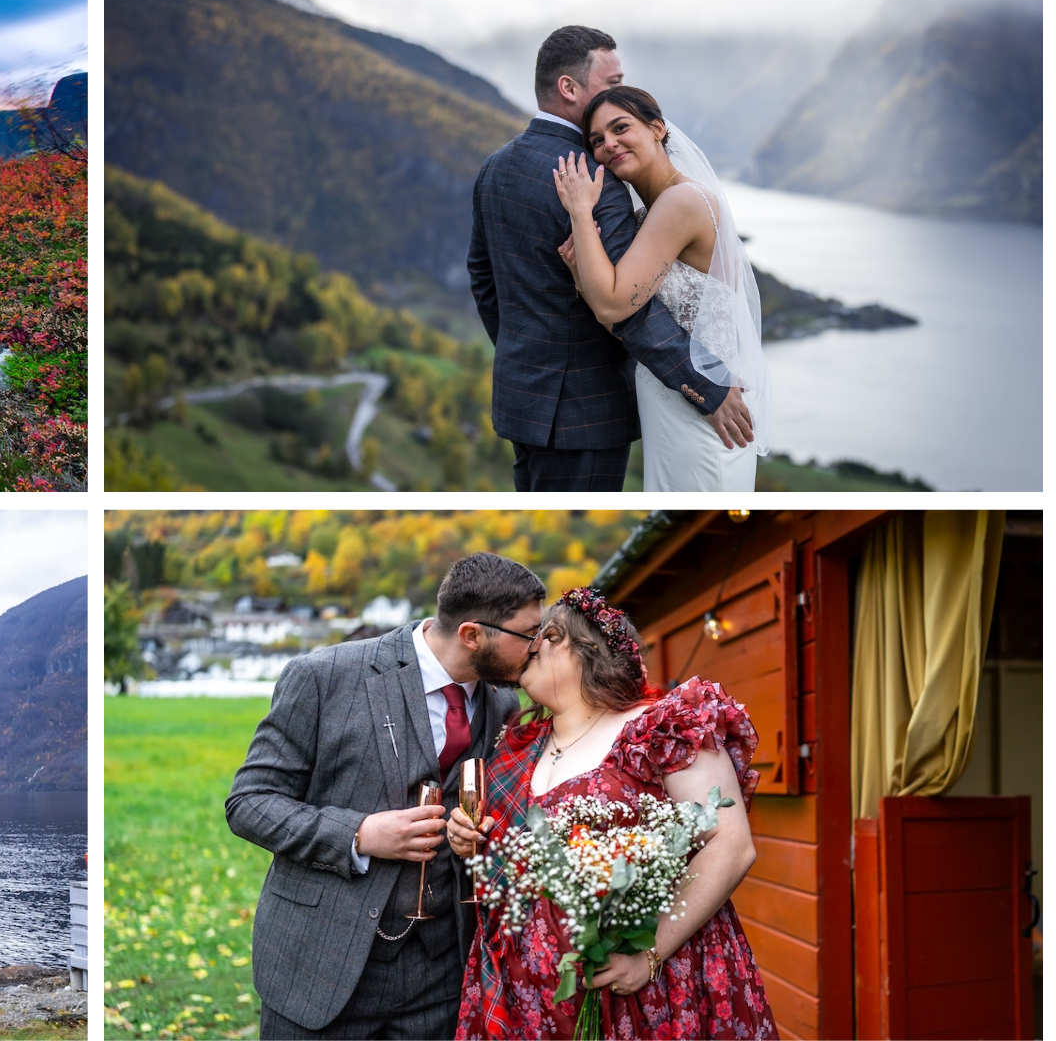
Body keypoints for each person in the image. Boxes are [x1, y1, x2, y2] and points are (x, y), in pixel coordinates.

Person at [225, 553, 540, 1038]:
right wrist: (360, 834)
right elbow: (249, 802)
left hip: (443, 971)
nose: (537, 647)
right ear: (472, 635)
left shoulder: (502, 701)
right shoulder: (324, 676)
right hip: (321, 966)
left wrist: (472, 832)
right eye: (528, 635)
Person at [448, 588, 779, 1039]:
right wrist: (466, 836)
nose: (530, 646)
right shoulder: (516, 749)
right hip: (532, 996)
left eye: (546, 635)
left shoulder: (659, 726)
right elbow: (505, 863)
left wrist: (650, 954)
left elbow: (731, 844)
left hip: (653, 983)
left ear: (586, 646)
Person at [467, 25, 753, 491]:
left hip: (521, 401)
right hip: (588, 408)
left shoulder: (495, 166)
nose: (621, 92)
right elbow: (631, 310)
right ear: (569, 87)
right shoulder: (594, 178)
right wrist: (705, 387)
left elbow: (482, 277)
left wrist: (527, 357)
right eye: (613, 83)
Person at [552, 86, 773, 490]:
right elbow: (622, 321)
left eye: (621, 128)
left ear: (657, 128)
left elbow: (614, 306)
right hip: (670, 403)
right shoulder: (650, 212)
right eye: (597, 141)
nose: (608, 145)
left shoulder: (682, 202)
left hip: (702, 411)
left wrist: (581, 212)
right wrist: (581, 273)